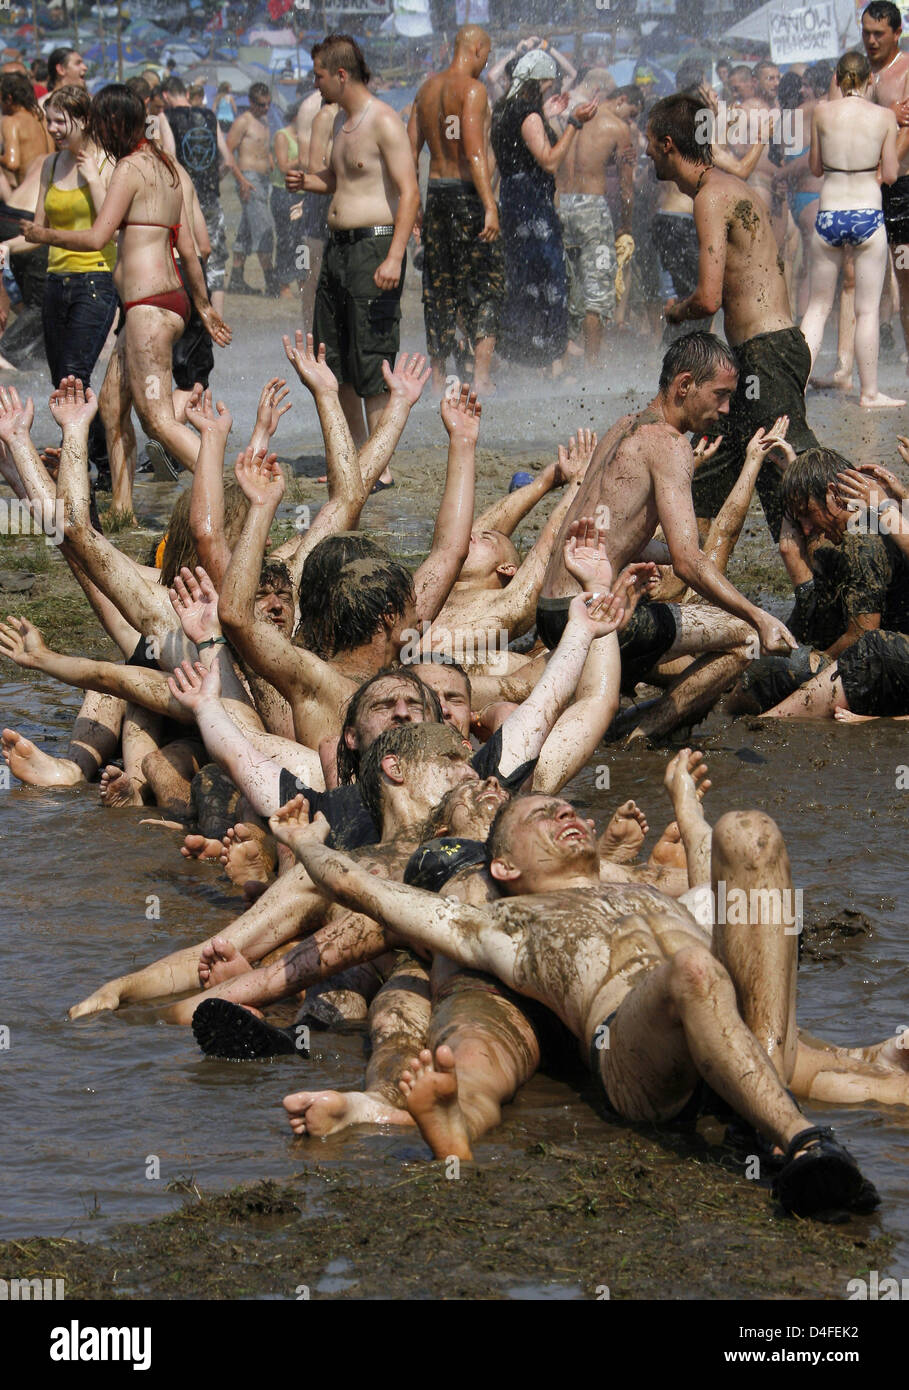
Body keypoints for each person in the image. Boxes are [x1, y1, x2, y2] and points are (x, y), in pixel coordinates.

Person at [271, 787, 888, 1218]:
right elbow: (364, 889)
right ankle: (801, 1138)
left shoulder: (653, 894)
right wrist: (304, 840)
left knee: (748, 831)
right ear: (505, 863)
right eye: (542, 814)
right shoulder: (497, 923)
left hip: (742, 1039)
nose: (565, 812)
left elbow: (749, 924)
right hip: (637, 1058)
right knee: (695, 971)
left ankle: (771, 1112)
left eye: (569, 807)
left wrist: (692, 812)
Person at [539, 332, 797, 734]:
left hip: (551, 611)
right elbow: (688, 561)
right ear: (684, 385)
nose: (727, 409)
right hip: (592, 614)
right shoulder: (671, 445)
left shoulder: (624, 425)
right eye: (720, 395)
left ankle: (622, 711)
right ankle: (641, 732)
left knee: (680, 631)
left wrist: (656, 552)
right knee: (744, 637)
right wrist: (758, 615)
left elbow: (618, 534)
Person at [21, 85, 231, 477]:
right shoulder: (167, 166)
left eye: (101, 125)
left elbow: (98, 238)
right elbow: (188, 247)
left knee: (157, 420)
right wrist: (202, 305)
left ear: (115, 122)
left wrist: (43, 235)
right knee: (113, 409)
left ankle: (228, 488)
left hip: (147, 309)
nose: (98, 133)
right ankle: (122, 510)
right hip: (166, 302)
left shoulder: (129, 169)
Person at [648, 92, 820, 541]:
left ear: (667, 144)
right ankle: (690, 576)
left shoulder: (710, 197)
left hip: (767, 355)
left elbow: (707, 299)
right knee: (709, 459)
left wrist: (673, 311)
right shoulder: (730, 187)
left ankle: (860, 557)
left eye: (649, 143)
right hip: (757, 357)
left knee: (798, 475)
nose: (645, 152)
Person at [286, 35, 419, 482]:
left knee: (373, 357)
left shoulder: (382, 120)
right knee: (335, 357)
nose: (316, 84)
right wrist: (307, 181)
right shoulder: (342, 124)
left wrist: (396, 256)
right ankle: (355, 460)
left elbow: (409, 191)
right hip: (339, 250)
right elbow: (339, 182)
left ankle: (379, 467)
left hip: (374, 247)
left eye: (319, 76)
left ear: (341, 75)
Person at [799, 51, 902, 408]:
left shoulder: (822, 112)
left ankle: (795, 389)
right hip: (868, 215)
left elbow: (814, 167)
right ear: (868, 80)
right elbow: (890, 173)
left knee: (817, 306)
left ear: (839, 78)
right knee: (868, 310)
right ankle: (869, 393)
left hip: (829, 214)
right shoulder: (885, 116)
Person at [408, 24, 504, 395]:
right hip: (466, 196)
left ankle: (437, 378)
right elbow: (475, 151)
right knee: (484, 284)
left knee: (439, 284)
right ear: (477, 48)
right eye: (487, 54)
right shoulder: (473, 90)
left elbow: (409, 150)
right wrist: (489, 205)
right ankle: (480, 377)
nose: (486, 62)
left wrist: (415, 199)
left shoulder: (426, 90)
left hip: (436, 196)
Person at [30, 85, 118, 486]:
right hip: (56, 282)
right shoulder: (50, 165)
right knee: (62, 381)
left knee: (74, 376)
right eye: (49, 120)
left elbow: (109, 228)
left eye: (60, 120)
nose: (52, 128)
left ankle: (77, 465)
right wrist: (5, 245)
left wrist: (92, 179)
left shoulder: (105, 162)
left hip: (96, 281)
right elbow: (38, 230)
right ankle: (102, 459)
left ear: (84, 120)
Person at [490, 50, 598, 374]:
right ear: (537, 83)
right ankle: (548, 360)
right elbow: (549, 160)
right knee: (549, 278)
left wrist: (548, 115)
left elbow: (516, 151)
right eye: (548, 86)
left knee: (523, 279)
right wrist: (574, 124)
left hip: (513, 200)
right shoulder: (528, 114)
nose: (550, 91)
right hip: (532, 206)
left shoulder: (504, 111)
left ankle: (525, 359)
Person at [555, 67, 635, 370]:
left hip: (562, 205)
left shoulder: (567, 121)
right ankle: (592, 365)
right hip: (593, 210)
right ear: (607, 95)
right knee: (597, 291)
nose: (630, 118)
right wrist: (626, 224)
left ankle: (560, 363)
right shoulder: (615, 127)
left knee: (567, 285)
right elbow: (627, 188)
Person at [159, 74, 238, 318]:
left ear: (165, 95)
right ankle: (218, 321)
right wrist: (213, 179)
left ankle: (185, 314)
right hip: (210, 197)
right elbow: (228, 160)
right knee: (214, 260)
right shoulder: (208, 116)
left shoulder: (164, 116)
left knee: (178, 254)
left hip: (181, 199)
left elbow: (170, 154)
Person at [226, 83, 277, 297]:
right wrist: (241, 181)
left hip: (263, 180)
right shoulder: (242, 122)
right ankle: (272, 283)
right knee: (264, 230)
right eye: (261, 105)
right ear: (251, 102)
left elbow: (262, 147)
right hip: (249, 180)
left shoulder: (263, 120)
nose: (266, 109)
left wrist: (270, 159)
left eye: (268, 104)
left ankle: (236, 280)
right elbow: (228, 154)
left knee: (246, 231)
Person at [270, 101, 303, 300]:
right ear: (296, 117)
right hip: (283, 193)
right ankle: (283, 283)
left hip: (303, 193)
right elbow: (283, 167)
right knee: (285, 239)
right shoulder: (282, 136)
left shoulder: (306, 136)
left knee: (302, 240)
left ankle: (302, 278)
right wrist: (304, 157)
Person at [0, 74, 53, 186]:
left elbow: (12, 162)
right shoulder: (41, 118)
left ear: (9, 98)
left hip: (26, 191)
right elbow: (51, 154)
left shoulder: (11, 122)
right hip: (46, 186)